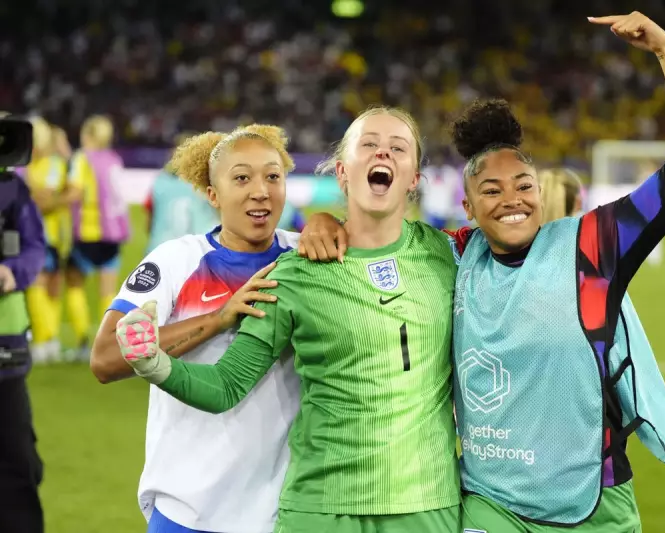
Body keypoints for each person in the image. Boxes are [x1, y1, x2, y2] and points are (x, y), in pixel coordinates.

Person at [300, 11, 665, 532]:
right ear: (468, 208)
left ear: (539, 191)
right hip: (490, 502)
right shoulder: (449, 252)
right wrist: (321, 221)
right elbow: (374, 233)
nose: (511, 199)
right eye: (490, 191)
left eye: (523, 184)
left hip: (594, 499)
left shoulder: (591, 246)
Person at [116, 107, 462, 532]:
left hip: (425, 505)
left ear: (415, 178)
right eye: (368, 144)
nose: (382, 154)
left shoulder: (450, 256)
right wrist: (155, 362)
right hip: (315, 509)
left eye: (398, 147)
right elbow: (226, 384)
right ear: (341, 171)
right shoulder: (294, 268)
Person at [90, 124, 301, 533]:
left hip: (280, 514)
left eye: (272, 176)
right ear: (213, 195)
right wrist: (219, 318)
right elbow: (104, 359)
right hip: (188, 509)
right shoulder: (175, 261)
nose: (260, 190)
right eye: (241, 177)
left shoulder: (305, 257)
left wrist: (328, 223)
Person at [0, 151, 47, 533]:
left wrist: (11, 272)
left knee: (19, 464)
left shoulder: (11, 188)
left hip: (5, 348)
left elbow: (34, 248)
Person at [65, 115, 128, 361]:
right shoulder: (114, 159)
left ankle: (82, 342)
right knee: (108, 290)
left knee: (74, 282)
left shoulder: (83, 159)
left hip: (90, 230)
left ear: (88, 135)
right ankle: (109, 344)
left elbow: (76, 192)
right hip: (114, 233)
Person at [22, 117, 70, 363]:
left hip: (48, 235)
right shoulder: (34, 165)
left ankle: (44, 341)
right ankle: (49, 340)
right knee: (46, 286)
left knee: (43, 286)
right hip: (41, 233)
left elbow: (45, 200)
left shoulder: (50, 164)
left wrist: (29, 191)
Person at [144, 166, 219, 254]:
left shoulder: (159, 181)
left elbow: (149, 221)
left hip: (160, 247)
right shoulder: (204, 184)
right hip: (196, 249)